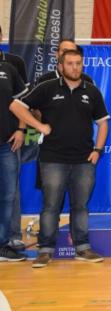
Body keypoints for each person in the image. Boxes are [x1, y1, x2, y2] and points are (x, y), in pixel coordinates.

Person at [10, 49, 109, 268]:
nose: (75, 67)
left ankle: (82, 248)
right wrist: (39, 126)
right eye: (70, 64)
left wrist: (98, 150)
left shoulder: (91, 91)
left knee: (81, 206)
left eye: (79, 63)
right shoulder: (47, 88)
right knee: (51, 206)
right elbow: (16, 106)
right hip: (52, 159)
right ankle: (45, 250)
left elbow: (103, 122)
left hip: (84, 160)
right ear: (61, 66)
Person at [0, 24, 28, 253]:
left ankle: (9, 239)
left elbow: (22, 104)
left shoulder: (10, 66)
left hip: (7, 142)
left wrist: (21, 129)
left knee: (10, 192)